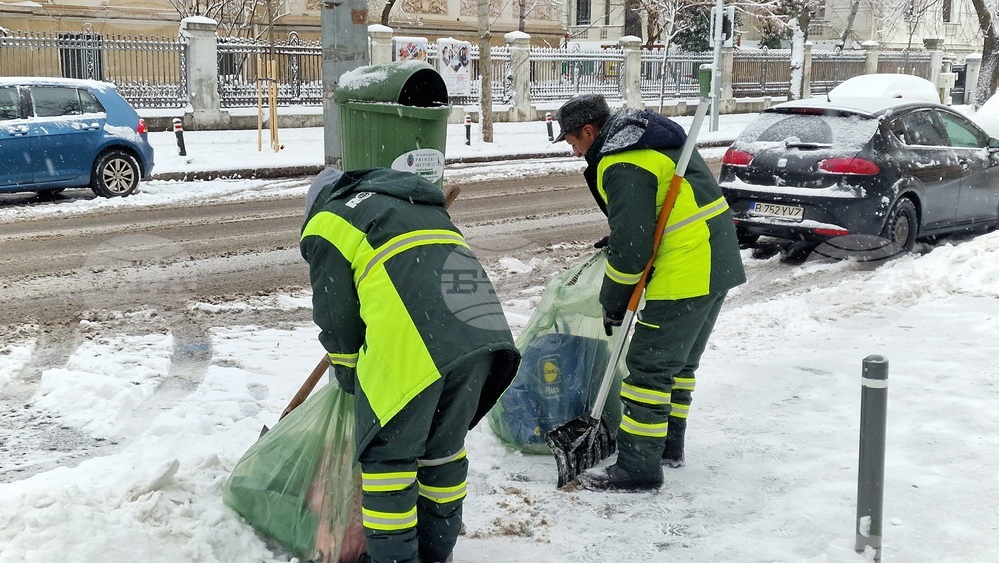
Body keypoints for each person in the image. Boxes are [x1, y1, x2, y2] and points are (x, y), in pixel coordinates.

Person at [300, 167, 521, 562]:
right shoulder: (411, 203)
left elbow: (336, 315)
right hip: (479, 336)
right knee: (442, 451)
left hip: (415, 345)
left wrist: (351, 375)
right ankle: (437, 551)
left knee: (389, 460)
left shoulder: (327, 222)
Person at [553, 94, 746, 491]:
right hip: (717, 257)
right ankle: (667, 446)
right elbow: (656, 209)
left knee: (648, 369)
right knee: (679, 366)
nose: (574, 151)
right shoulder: (646, 141)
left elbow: (633, 250)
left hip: (688, 266)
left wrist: (614, 301)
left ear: (590, 131)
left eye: (573, 142)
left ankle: (639, 468)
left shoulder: (622, 160)